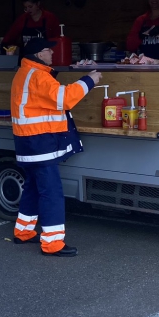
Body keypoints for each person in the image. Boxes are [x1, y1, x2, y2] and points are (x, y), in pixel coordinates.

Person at [10, 38, 101, 255]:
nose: (52, 52)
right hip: (40, 143)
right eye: (48, 50)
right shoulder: (38, 76)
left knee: (32, 188)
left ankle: (23, 231)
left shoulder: (25, 73)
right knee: (51, 192)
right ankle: (52, 244)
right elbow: (66, 98)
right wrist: (89, 80)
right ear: (39, 55)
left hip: (27, 142)